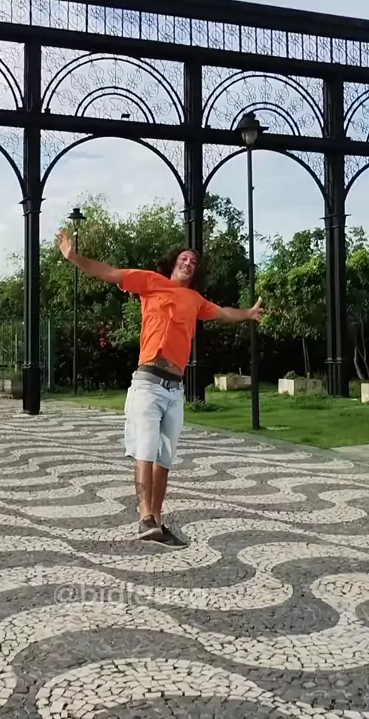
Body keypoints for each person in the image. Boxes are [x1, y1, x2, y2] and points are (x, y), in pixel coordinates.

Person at [56, 232, 263, 546]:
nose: (188, 263)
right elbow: (109, 272)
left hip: (174, 390)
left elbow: (223, 312)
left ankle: (157, 521)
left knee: (164, 459)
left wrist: (247, 314)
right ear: (173, 263)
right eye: (184, 258)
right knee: (146, 450)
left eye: (193, 262)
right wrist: (74, 258)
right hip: (148, 383)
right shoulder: (151, 282)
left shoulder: (195, 300)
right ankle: (144, 517)